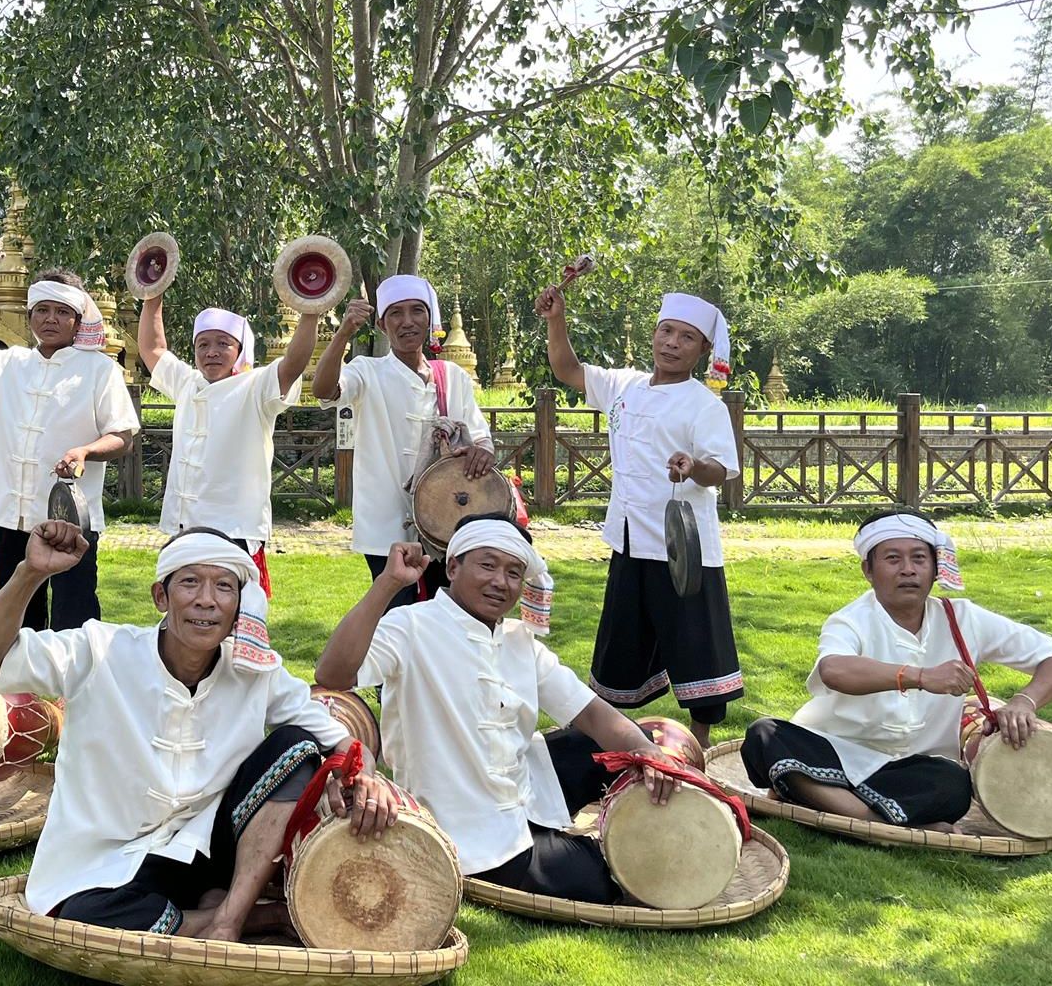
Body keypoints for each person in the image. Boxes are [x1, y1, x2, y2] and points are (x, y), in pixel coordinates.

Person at [0, 525, 394, 941]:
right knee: (81, 916)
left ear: (239, 604)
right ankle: (257, 918)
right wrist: (30, 573)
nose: (207, 601)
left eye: (224, 587)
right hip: (107, 861)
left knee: (296, 747)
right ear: (160, 596)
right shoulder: (99, 651)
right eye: (190, 583)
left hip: (210, 853)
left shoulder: (255, 671)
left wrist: (363, 776)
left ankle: (228, 916)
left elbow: (340, 739)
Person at [317, 517, 677, 903]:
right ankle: (551, 851)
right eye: (487, 566)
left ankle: (553, 834)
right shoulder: (411, 626)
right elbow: (333, 674)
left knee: (639, 747)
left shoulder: (518, 642)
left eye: (513, 573)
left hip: (525, 791)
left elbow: (591, 713)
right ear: (452, 567)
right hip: (465, 827)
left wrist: (647, 753)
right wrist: (387, 584)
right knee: (599, 880)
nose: (500, 582)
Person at [741, 509, 1052, 833]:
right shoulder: (850, 620)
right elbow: (834, 670)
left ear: (935, 569)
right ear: (868, 571)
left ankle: (818, 798)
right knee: (763, 735)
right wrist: (920, 676)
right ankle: (876, 820)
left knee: (953, 786)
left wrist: (1025, 701)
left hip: (911, 770)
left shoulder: (964, 619)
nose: (908, 569)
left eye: (919, 558)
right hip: (834, 754)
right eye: (893, 559)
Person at [537, 285, 742, 747]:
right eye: (666, 331)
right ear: (654, 333)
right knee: (621, 640)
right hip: (629, 537)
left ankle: (701, 743)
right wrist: (557, 319)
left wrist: (693, 466)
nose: (672, 343)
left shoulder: (703, 404)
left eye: (686, 338)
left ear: (703, 349)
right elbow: (567, 369)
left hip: (683, 546)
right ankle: (605, 736)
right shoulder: (623, 385)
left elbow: (721, 469)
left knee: (695, 642)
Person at [0, 266, 139, 630]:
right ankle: (17, 686)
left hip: (70, 518)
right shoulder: (10, 362)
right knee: (15, 616)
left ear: (77, 319)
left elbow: (123, 435)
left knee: (75, 616)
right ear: (29, 317)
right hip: (13, 515)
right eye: (42, 310)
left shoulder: (100, 370)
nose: (50, 319)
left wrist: (85, 451)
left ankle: (72, 686)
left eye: (61, 312)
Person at [313, 274, 494, 608]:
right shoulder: (367, 371)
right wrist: (343, 333)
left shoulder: (452, 377)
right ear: (382, 324)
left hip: (449, 522)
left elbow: (481, 437)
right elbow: (323, 390)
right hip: (386, 526)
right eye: (396, 313)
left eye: (417, 311)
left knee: (449, 615)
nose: (407, 322)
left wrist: (480, 453)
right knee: (396, 620)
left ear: (431, 319)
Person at [135, 289, 322, 591]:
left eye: (223, 344)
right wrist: (153, 295)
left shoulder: (256, 386)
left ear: (240, 350)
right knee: (187, 613)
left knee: (234, 617)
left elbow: (294, 363)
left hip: (234, 528)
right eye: (203, 344)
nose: (212, 352)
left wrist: (310, 310)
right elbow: (152, 348)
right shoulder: (187, 382)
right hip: (185, 526)